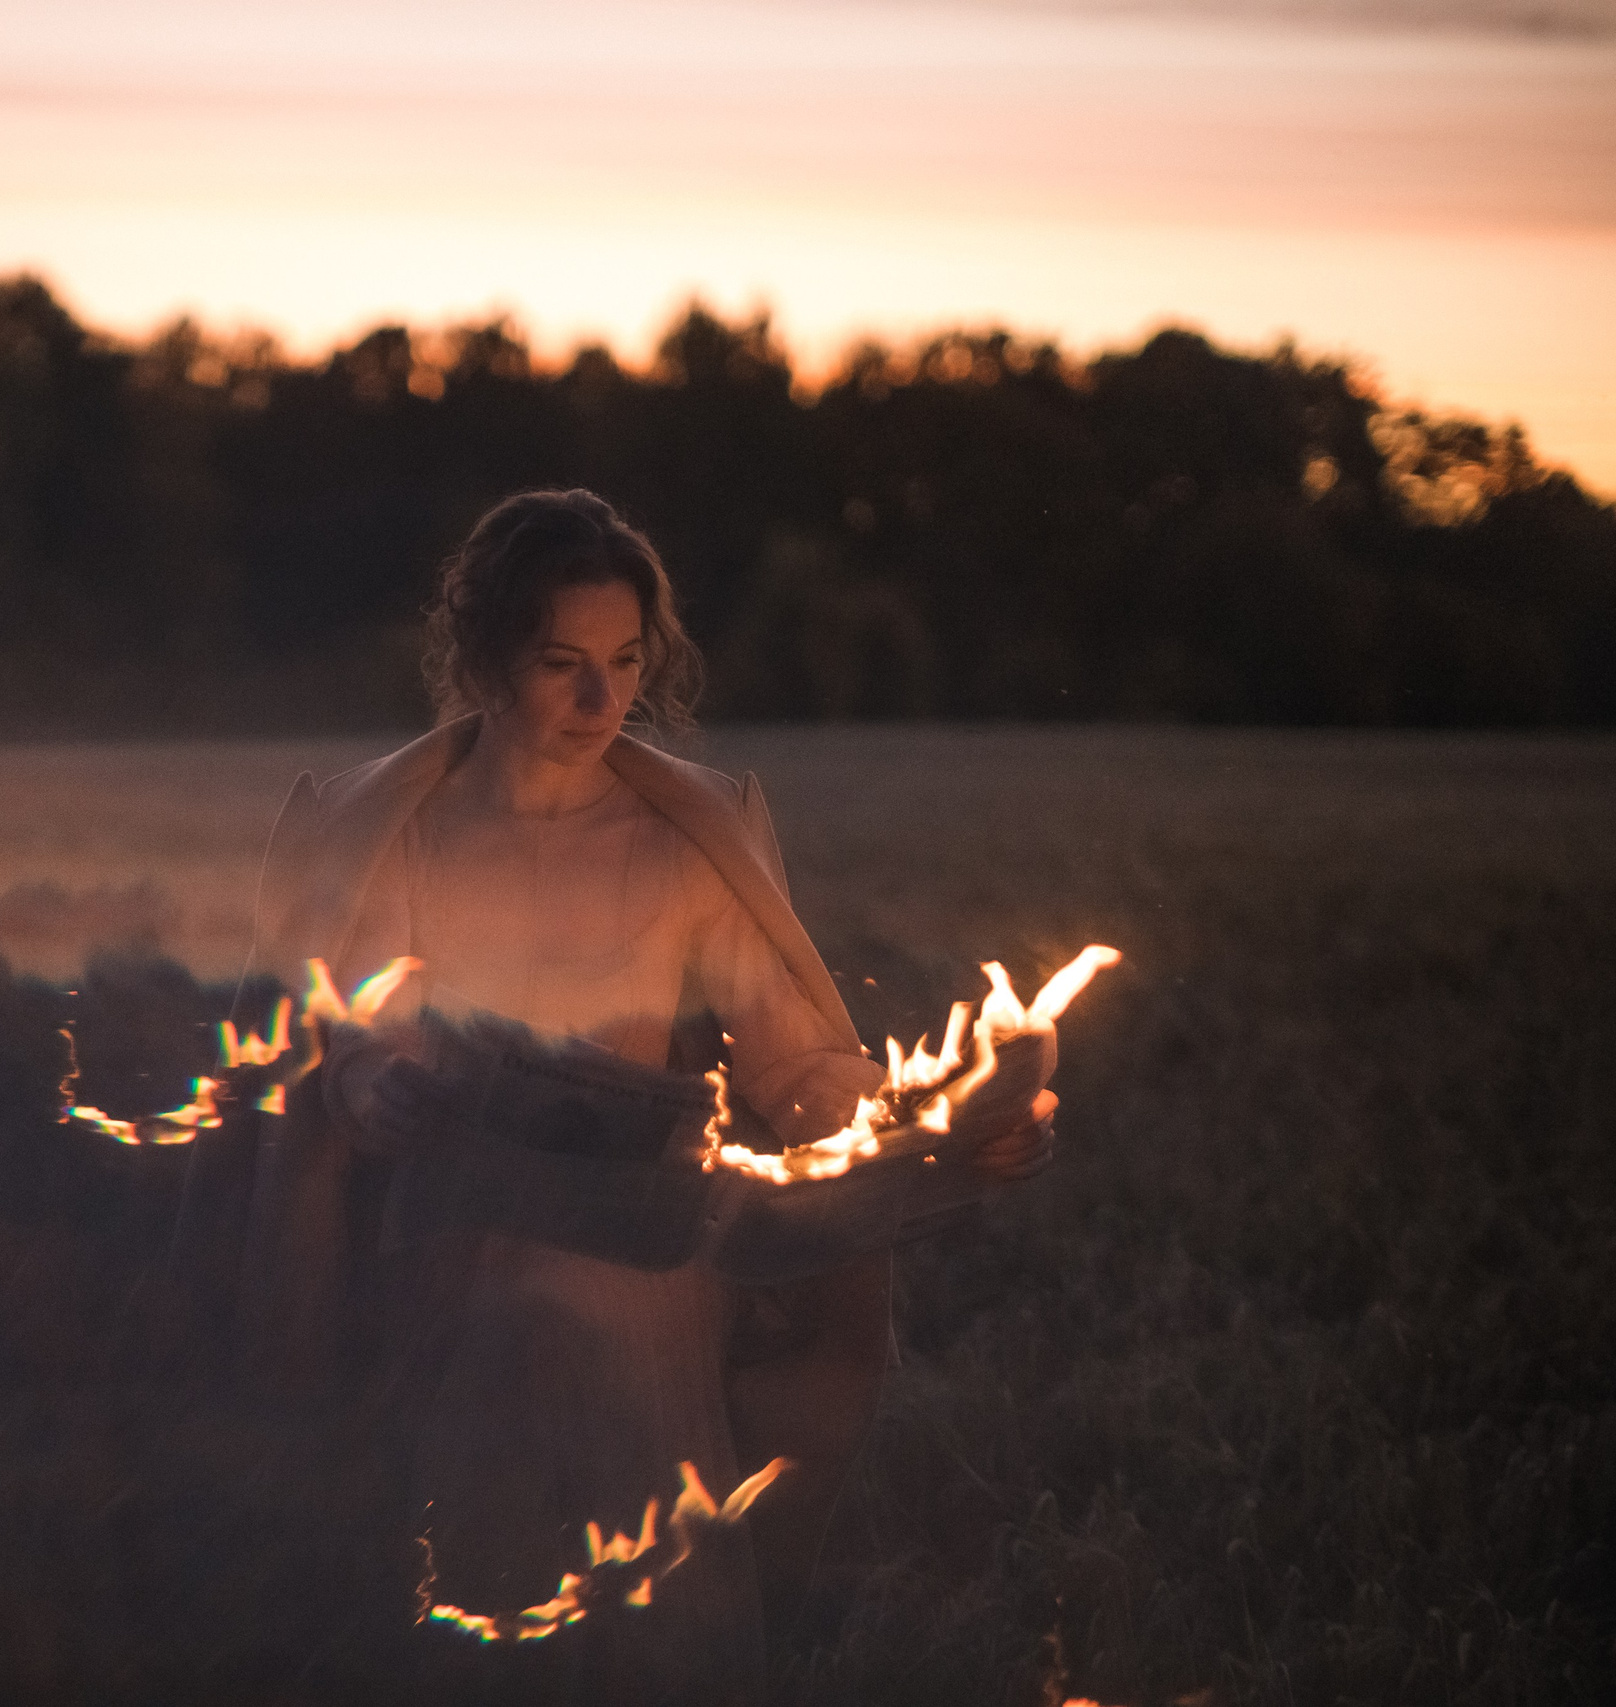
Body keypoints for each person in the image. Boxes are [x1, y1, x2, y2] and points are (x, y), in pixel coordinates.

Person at [211, 489, 1053, 1702]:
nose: (602, 703)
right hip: (453, 1227)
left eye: (624, 664)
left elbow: (794, 1061)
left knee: (602, 1293)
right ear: (489, 659)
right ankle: (482, 1646)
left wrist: (946, 1120)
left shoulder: (678, 846)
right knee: (531, 1306)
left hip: (644, 1236)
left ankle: (662, 1657)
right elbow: (351, 1031)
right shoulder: (399, 834)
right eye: (563, 665)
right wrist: (374, 1089)